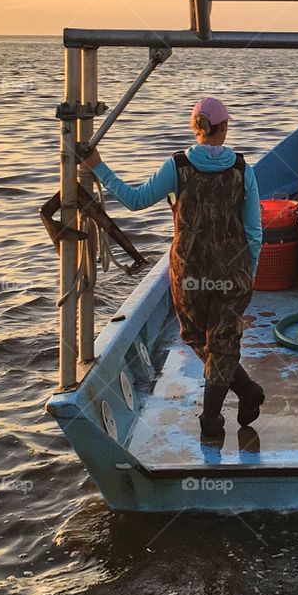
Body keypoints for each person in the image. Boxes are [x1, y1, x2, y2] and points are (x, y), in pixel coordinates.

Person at [81, 97, 264, 442]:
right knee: (220, 342)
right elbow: (254, 231)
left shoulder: (176, 166)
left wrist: (98, 167)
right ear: (224, 128)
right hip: (232, 272)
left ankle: (211, 421)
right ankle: (247, 390)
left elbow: (135, 200)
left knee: (197, 337)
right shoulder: (243, 169)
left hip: (188, 272)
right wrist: (249, 271)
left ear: (195, 128)